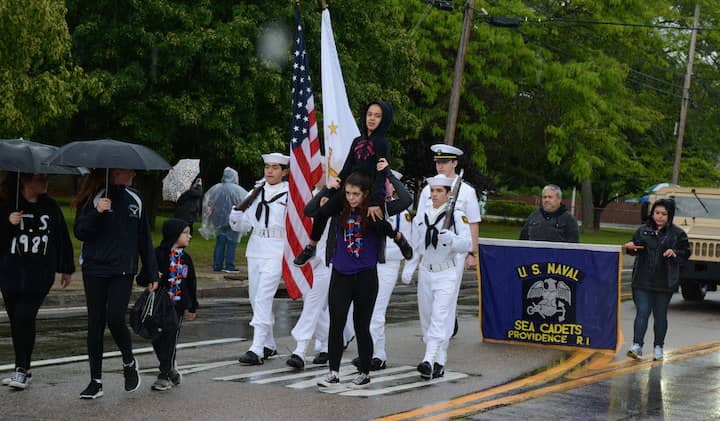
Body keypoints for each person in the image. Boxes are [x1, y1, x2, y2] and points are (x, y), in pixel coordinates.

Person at [313, 172, 411, 390]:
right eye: (347, 193)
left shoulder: (376, 211)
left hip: (365, 276)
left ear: (366, 194)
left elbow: (404, 202)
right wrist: (329, 190)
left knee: (361, 325)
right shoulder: (339, 209)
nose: (351, 198)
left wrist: (386, 175)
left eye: (355, 194)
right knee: (336, 324)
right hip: (341, 274)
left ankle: (365, 372)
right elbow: (312, 211)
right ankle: (333, 372)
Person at [73, 168, 158, 399]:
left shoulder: (135, 199)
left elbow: (144, 238)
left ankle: (129, 362)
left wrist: (151, 273)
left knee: (115, 318)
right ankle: (95, 381)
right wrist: (97, 212)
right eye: (128, 171)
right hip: (94, 268)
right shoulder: (94, 197)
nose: (133, 174)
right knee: (95, 323)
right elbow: (80, 231)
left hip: (123, 269)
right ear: (114, 173)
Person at [294, 101, 394, 267]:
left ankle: (396, 240)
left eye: (377, 116)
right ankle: (311, 247)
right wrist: (330, 193)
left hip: (368, 192)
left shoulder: (382, 143)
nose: (372, 119)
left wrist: (375, 201)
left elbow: (380, 173)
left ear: (384, 119)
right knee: (323, 210)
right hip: (350, 186)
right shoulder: (357, 141)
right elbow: (347, 168)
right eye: (369, 114)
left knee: (377, 224)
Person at [0, 173, 75, 390]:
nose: (46, 181)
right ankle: (23, 367)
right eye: (40, 178)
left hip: (39, 274)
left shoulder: (50, 206)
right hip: (10, 273)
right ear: (25, 180)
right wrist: (9, 223)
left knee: (25, 316)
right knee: (16, 320)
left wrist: (67, 267)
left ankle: (21, 370)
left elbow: (61, 237)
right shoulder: (7, 204)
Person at [402, 174, 472, 380]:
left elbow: (467, 244)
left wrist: (453, 240)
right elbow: (417, 246)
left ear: (449, 193)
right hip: (426, 271)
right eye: (432, 191)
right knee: (426, 316)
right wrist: (410, 266)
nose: (434, 195)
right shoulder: (420, 216)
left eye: (439, 191)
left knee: (440, 316)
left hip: (447, 272)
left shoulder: (457, 217)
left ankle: (428, 359)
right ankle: (439, 358)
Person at [229, 153, 290, 365]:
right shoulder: (256, 191)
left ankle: (256, 348)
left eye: (275, 167)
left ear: (284, 171)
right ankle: (269, 344)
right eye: (267, 167)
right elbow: (244, 225)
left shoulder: (289, 193)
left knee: (264, 296)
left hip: (276, 248)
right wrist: (235, 218)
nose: (270, 171)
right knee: (255, 298)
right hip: (256, 248)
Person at [415, 144, 481, 339]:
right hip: (431, 251)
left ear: (454, 163)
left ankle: (441, 335)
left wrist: (473, 253)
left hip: (456, 251)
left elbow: (473, 224)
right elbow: (420, 221)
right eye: (437, 162)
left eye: (444, 162)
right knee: (427, 298)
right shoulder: (429, 189)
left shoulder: (466, 191)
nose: (440, 166)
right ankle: (434, 332)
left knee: (448, 294)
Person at [351, 167, 412, 371]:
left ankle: (378, 355)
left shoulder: (401, 213)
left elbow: (407, 242)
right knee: (362, 310)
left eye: (386, 182)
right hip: (367, 263)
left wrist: (408, 266)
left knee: (376, 311)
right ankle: (368, 352)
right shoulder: (369, 206)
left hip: (387, 265)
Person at [623, 198, 690, 361]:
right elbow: (636, 249)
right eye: (657, 213)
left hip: (665, 281)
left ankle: (658, 347)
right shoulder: (642, 231)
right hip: (642, 279)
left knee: (660, 315)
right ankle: (636, 346)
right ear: (652, 214)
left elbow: (686, 253)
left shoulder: (678, 234)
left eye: (664, 214)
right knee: (642, 312)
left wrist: (674, 253)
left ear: (670, 215)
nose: (659, 217)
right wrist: (631, 248)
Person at [140, 218, 199, 391]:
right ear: (174, 235)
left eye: (189, 233)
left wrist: (192, 306)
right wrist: (153, 276)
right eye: (185, 233)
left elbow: (192, 283)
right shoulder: (157, 255)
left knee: (171, 339)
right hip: (158, 306)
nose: (189, 237)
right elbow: (141, 278)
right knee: (157, 339)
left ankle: (164, 374)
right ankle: (170, 370)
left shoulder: (186, 258)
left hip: (177, 306)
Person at [200, 168, 247, 272]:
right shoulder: (238, 190)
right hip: (234, 220)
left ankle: (217, 265)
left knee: (220, 242)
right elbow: (246, 201)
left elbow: (209, 202)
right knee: (232, 243)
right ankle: (229, 266)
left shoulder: (216, 188)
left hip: (218, 219)